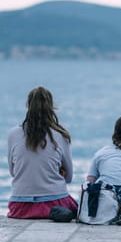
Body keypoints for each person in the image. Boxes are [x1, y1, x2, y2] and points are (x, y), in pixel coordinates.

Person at [7, 86, 78, 218]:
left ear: (28, 105)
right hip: (55, 202)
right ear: (51, 107)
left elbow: (13, 172)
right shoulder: (61, 135)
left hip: (20, 206)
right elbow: (68, 178)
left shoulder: (13, 134)